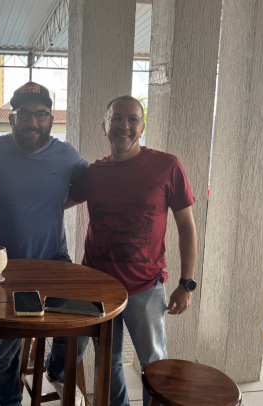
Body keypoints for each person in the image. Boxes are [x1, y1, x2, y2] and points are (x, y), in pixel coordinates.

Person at [0, 82, 90, 406]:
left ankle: (55, 370)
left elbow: (94, 185)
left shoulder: (66, 155)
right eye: (24, 114)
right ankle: (8, 402)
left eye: (41, 114)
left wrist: (57, 203)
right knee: (6, 347)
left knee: (83, 324)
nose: (33, 122)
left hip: (54, 259)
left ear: (51, 119)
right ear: (12, 118)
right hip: (4, 266)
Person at [66, 95, 197, 406]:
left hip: (146, 288)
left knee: (155, 364)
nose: (123, 125)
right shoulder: (94, 172)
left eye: (132, 118)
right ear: (104, 126)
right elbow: (56, 202)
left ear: (142, 126)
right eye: (116, 118)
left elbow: (187, 227)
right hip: (99, 287)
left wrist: (186, 283)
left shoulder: (167, 165)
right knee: (107, 362)